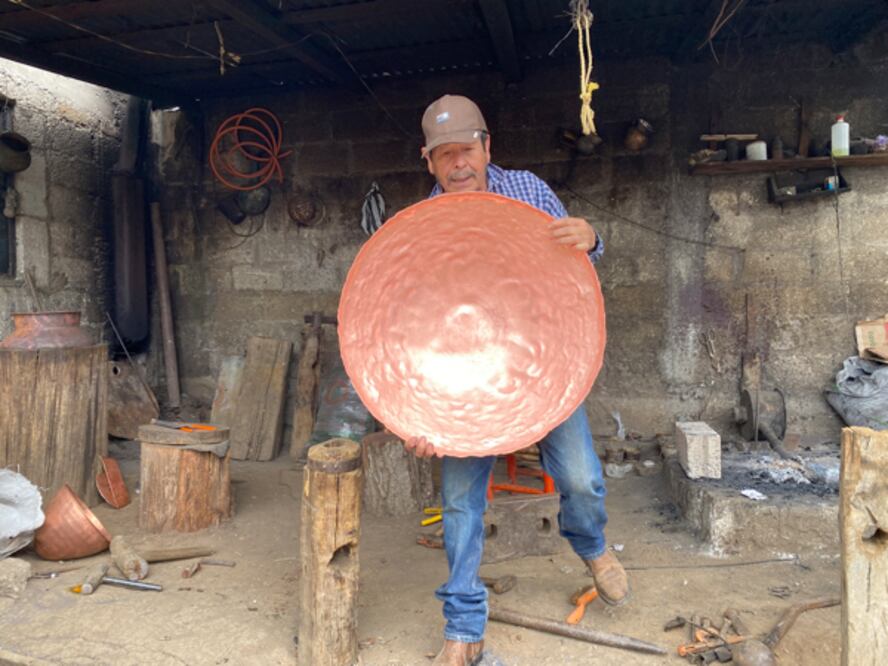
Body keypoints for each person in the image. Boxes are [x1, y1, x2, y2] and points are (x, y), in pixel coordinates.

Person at [404, 95, 629, 666]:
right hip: (467, 382)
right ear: (428, 162)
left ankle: (593, 546)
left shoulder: (527, 191)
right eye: (445, 155)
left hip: (541, 364)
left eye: (468, 150)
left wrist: (591, 239)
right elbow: (404, 323)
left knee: (579, 478)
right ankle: (463, 628)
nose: (459, 165)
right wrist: (412, 414)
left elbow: (578, 267)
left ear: (488, 148)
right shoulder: (421, 227)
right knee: (459, 503)